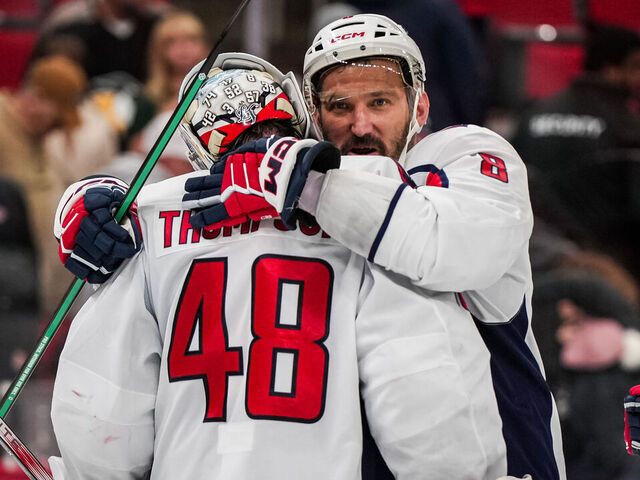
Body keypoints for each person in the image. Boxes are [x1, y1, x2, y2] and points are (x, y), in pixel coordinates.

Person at [51, 14, 566, 479]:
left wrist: (155, 207)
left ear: (420, 107)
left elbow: (446, 241)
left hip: (517, 462)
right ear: (310, 116)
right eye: (340, 107)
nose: (360, 125)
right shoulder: (307, 199)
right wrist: (105, 208)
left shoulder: (468, 155)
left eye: (380, 103)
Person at [512, 22, 640, 278]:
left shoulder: (533, 115)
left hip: (537, 254)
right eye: (637, 67)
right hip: (611, 264)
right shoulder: (628, 126)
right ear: (612, 69)